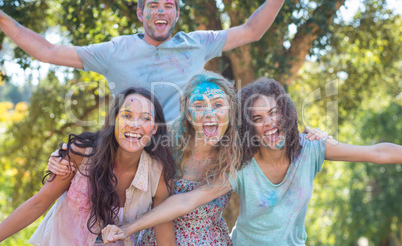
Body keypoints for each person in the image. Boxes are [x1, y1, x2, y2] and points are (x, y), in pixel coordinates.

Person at [100, 78, 402, 245]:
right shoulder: (243, 164)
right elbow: (186, 201)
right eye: (258, 118)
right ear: (248, 125)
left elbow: (375, 153)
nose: (269, 124)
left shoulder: (312, 149)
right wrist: (127, 228)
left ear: (288, 112)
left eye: (274, 112)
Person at [0, 0, 306, 122]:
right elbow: (48, 51)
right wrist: (2, 18)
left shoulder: (196, 43)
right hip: (133, 153)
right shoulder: (116, 50)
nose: (161, 11)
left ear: (176, 14)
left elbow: (251, 31)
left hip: (184, 160)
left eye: (169, 6)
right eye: (154, 5)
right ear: (140, 13)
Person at [49, 71, 243, 245]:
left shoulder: (236, 155)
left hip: (209, 241)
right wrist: (69, 152)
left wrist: (128, 229)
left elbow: (187, 202)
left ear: (231, 109)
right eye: (198, 106)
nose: (209, 113)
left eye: (218, 105)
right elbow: (121, 140)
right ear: (188, 115)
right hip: (158, 238)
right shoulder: (167, 142)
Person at [0, 87, 176, 245]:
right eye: (127, 115)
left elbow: (163, 230)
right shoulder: (82, 154)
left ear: (154, 128)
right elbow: (38, 203)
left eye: (145, 118)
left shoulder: (157, 172)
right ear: (114, 120)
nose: (135, 125)